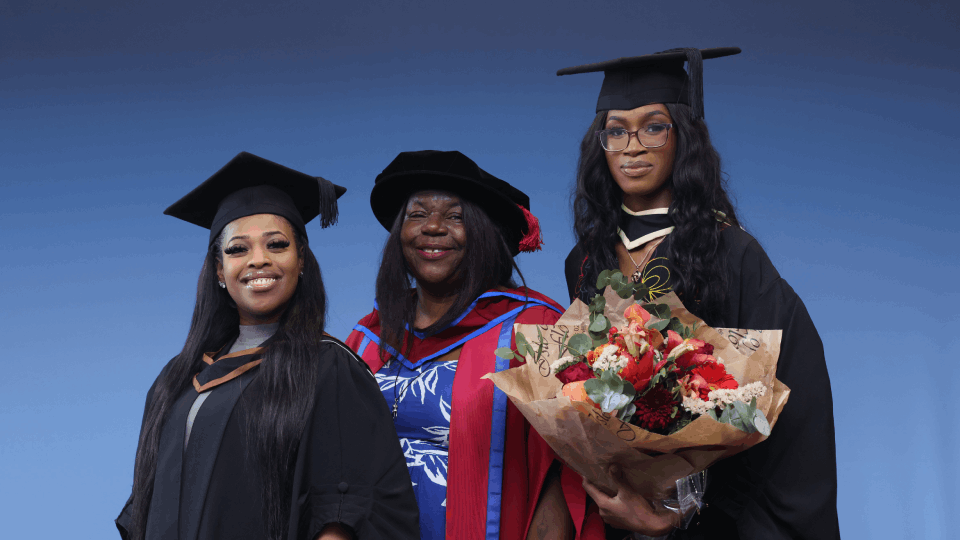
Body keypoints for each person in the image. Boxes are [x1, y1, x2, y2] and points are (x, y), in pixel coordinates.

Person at [557, 48, 840, 539]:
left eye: (653, 127)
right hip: (618, 514)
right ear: (599, 143)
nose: (632, 147)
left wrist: (683, 509)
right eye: (616, 130)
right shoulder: (585, 259)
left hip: (711, 523)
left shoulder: (730, 253)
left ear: (683, 138)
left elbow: (787, 400)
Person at [115, 151, 419, 540]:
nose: (258, 261)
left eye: (276, 244)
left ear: (302, 259)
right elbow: (148, 506)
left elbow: (345, 514)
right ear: (219, 271)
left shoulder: (327, 368)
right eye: (237, 249)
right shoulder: (179, 377)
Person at [345, 150, 597, 540]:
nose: (433, 227)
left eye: (455, 216)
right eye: (417, 214)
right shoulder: (366, 338)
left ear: (481, 232)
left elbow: (566, 476)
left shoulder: (536, 327)